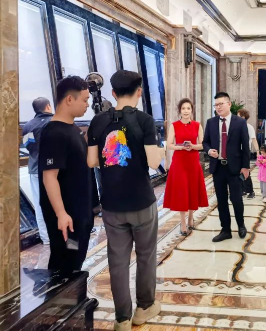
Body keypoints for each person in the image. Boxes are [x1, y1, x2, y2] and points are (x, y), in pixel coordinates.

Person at [87, 70, 166, 330]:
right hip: (141, 201)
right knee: (146, 256)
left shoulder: (98, 121)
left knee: (117, 261)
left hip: (111, 203)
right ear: (139, 92)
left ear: (113, 93)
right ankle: (144, 308)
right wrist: (163, 149)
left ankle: (122, 318)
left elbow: (91, 161)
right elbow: (153, 163)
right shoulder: (144, 120)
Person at [39, 76, 93, 273]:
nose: (87, 105)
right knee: (66, 260)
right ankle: (62, 293)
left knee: (76, 257)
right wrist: (61, 214)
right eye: (85, 100)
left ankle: (73, 291)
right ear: (70, 99)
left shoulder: (72, 128)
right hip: (67, 217)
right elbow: (49, 177)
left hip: (79, 212)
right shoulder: (54, 133)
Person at [203, 92, 250, 242]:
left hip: (234, 168)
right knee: (221, 200)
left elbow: (245, 146)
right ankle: (226, 230)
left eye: (221, 104)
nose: (218, 107)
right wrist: (209, 151)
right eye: (216, 105)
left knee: (236, 199)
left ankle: (241, 225)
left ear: (229, 104)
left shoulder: (240, 122)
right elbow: (205, 142)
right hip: (218, 168)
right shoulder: (211, 122)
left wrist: (246, 167)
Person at [163, 98, 209, 235]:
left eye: (188, 108)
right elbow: (169, 144)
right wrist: (181, 147)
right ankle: (183, 222)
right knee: (182, 191)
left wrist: (193, 146)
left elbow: (203, 144)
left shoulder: (197, 125)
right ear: (180, 110)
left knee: (192, 189)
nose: (186, 111)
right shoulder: (174, 125)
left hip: (193, 161)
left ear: (192, 110)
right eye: (183, 108)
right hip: (179, 162)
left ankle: (190, 217)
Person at [23, 97, 53, 245]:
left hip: (35, 168)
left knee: (40, 204)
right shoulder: (56, 122)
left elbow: (27, 145)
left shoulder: (28, 126)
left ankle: (46, 238)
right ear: (48, 107)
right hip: (56, 168)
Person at [237, 109, 259, 199]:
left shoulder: (249, 127)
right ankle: (242, 190)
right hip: (237, 151)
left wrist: (257, 151)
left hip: (245, 151)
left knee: (245, 171)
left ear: (243, 117)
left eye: (238, 116)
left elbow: (253, 139)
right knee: (238, 171)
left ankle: (250, 191)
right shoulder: (236, 126)